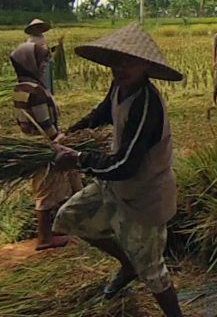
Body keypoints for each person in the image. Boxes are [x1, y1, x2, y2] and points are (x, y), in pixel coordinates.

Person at [51, 23, 185, 317]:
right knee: (69, 217)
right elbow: (102, 112)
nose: (121, 67)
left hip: (145, 193)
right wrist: (71, 133)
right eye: (117, 59)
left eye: (130, 61)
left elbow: (126, 164)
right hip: (115, 183)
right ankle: (127, 264)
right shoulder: (119, 87)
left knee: (153, 272)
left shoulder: (147, 106)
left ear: (146, 66)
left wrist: (78, 158)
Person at [10, 41, 82, 251]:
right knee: (47, 192)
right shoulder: (36, 92)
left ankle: (66, 226)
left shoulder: (19, 88)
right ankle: (45, 238)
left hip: (31, 141)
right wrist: (61, 138)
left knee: (70, 181)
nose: (45, 65)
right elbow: (45, 126)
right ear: (29, 63)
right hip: (45, 146)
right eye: (42, 61)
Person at [25, 18, 56, 92]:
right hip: (38, 65)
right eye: (37, 27)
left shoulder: (42, 37)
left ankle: (48, 96)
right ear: (33, 29)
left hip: (46, 63)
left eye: (40, 27)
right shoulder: (31, 40)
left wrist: (51, 50)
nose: (39, 29)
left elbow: (45, 49)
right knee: (42, 82)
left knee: (47, 81)